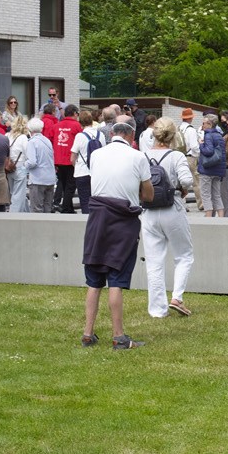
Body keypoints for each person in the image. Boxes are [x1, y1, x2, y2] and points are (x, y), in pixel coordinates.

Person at [82, 120, 152, 349]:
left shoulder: (96, 154)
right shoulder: (138, 156)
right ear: (132, 135)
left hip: (97, 219)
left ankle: (87, 333)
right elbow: (148, 194)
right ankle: (119, 336)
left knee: (94, 280)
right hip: (123, 220)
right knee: (116, 279)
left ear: (111, 133)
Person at [142, 119, 195, 317]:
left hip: (148, 210)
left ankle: (157, 309)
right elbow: (187, 180)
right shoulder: (176, 156)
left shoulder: (142, 156)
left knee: (154, 261)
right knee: (184, 255)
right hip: (172, 207)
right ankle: (177, 297)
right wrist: (181, 187)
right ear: (173, 136)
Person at [197, 113, 228, 218]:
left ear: (209, 124)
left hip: (207, 170)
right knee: (217, 195)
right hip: (218, 170)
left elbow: (208, 151)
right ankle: (221, 218)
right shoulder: (219, 135)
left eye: (204, 123)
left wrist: (201, 144)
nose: (202, 125)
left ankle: (208, 219)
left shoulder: (208, 135)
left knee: (206, 195)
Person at [7, 116, 31, 213]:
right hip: (20, 166)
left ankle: (26, 213)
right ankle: (14, 215)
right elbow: (28, 153)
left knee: (14, 192)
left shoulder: (7, 135)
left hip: (9, 166)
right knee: (18, 194)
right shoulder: (23, 138)